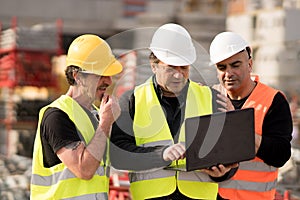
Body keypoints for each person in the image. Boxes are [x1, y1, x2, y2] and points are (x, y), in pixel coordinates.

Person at [110, 23, 238, 200]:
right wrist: (160, 154)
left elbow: (231, 153)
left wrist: (222, 173)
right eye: (171, 68)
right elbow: (118, 155)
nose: (178, 75)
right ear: (154, 65)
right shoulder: (132, 100)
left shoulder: (211, 98)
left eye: (184, 68)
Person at [30, 34, 123, 199]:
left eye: (109, 75)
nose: (108, 81)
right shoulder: (56, 116)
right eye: (100, 75)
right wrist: (106, 123)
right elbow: (84, 169)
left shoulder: (96, 115)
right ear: (77, 76)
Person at [209, 31, 293, 200]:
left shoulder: (272, 100)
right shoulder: (209, 96)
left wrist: (235, 123)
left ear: (250, 64)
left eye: (235, 65)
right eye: (222, 67)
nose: (229, 73)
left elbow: (280, 155)